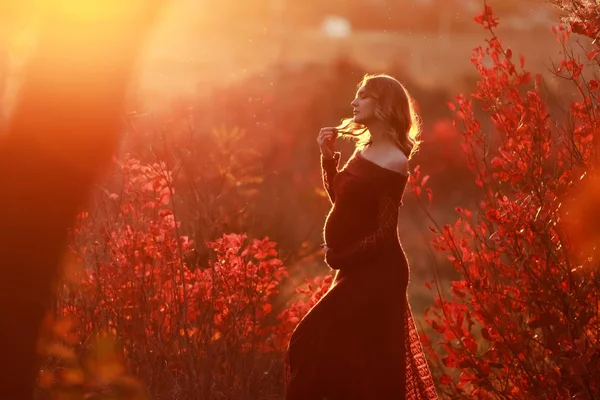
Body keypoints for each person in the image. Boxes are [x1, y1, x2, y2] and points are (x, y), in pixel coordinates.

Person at [285, 74, 438, 399]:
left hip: (379, 272)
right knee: (343, 358)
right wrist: (328, 158)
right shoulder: (363, 150)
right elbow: (342, 201)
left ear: (382, 105)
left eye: (363, 95)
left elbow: (383, 234)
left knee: (316, 340)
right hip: (355, 267)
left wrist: (339, 256)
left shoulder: (395, 161)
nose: (354, 101)